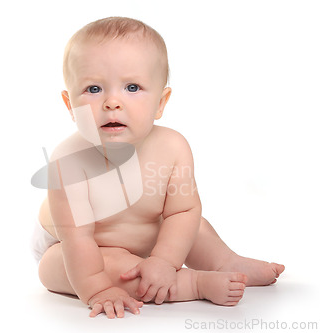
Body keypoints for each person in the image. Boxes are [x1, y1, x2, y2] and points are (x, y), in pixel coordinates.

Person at [31, 16, 285, 319]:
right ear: (69, 104)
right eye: (94, 89)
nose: (113, 102)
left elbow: (183, 212)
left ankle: (225, 261)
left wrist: (164, 259)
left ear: (161, 102)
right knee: (92, 267)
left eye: (132, 87)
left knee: (193, 227)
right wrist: (98, 289)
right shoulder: (68, 164)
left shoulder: (173, 147)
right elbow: (78, 240)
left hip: (147, 234)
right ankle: (192, 283)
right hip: (77, 249)